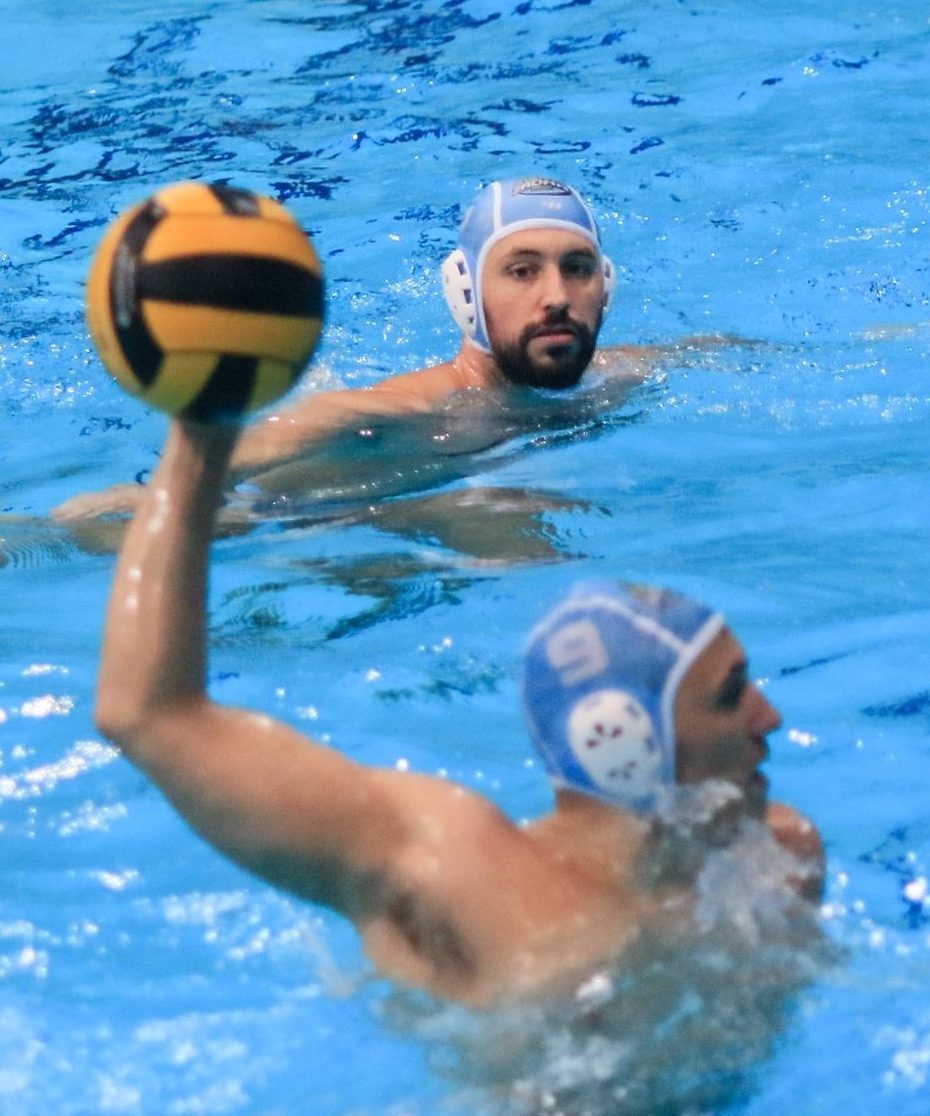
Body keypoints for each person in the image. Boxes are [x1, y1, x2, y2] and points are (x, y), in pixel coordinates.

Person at [93, 412, 825, 1007]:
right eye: (730, 694)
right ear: (620, 740)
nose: (770, 719)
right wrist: (200, 439)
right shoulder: (460, 873)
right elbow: (150, 716)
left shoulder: (782, 862)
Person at [49, 177, 721, 562]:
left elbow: (730, 353)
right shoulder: (401, 411)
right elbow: (219, 467)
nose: (555, 296)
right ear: (466, 294)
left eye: (576, 269)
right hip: (289, 521)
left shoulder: (621, 378)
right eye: (521, 271)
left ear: (606, 287)